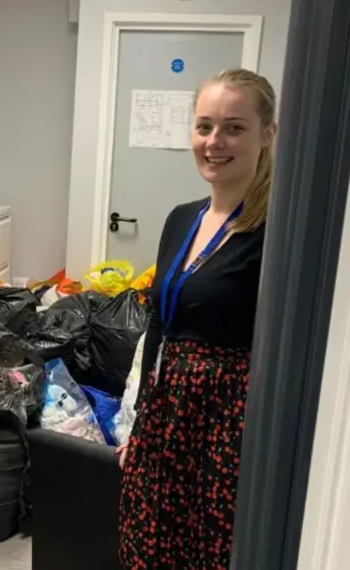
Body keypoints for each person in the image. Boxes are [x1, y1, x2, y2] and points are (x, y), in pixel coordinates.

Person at [116, 68, 276, 569]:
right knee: (149, 539)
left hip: (230, 419)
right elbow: (161, 326)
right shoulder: (182, 217)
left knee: (207, 550)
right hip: (169, 410)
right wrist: (141, 419)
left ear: (267, 134)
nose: (215, 141)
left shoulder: (275, 227)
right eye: (204, 126)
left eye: (234, 127)